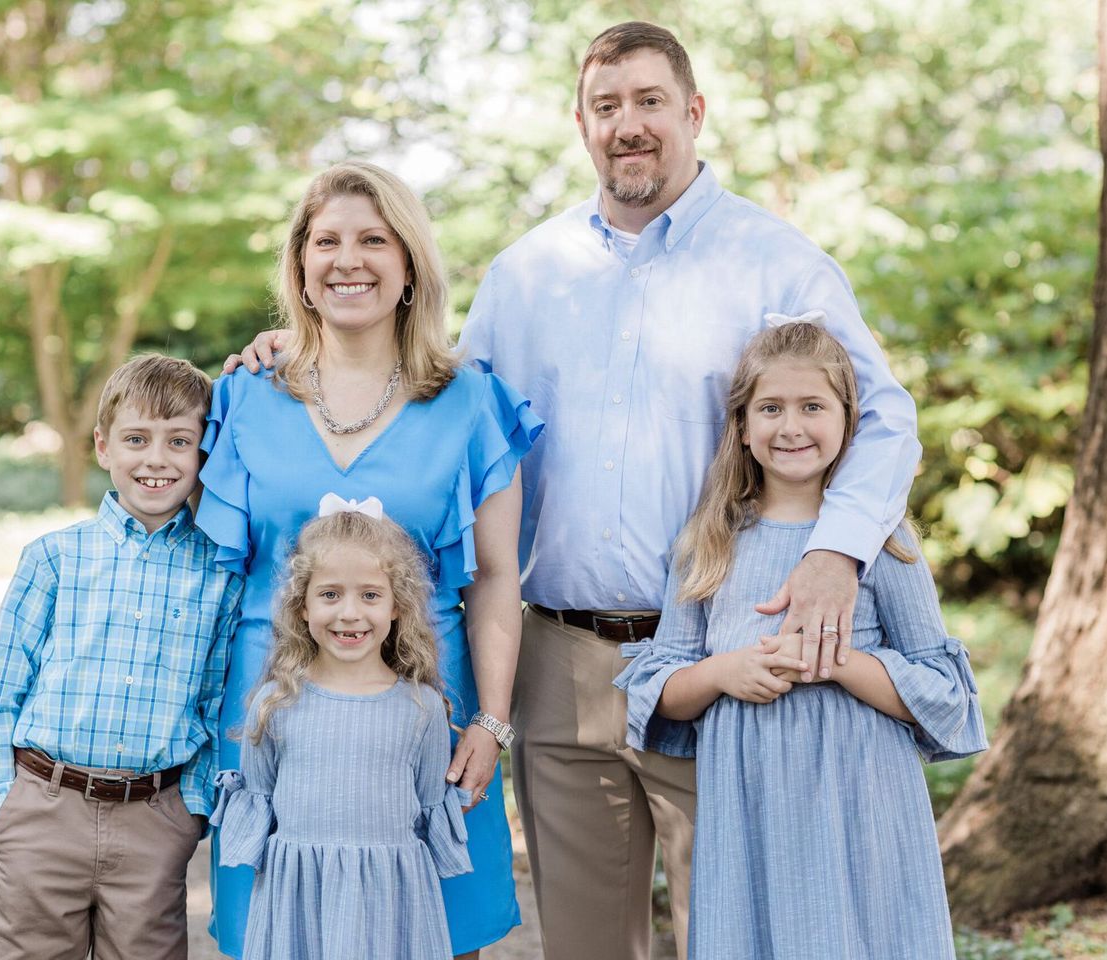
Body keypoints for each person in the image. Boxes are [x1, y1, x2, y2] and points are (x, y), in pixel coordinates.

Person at [226, 23, 920, 959]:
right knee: (589, 946)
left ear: (694, 112)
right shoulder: (526, 275)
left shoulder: (775, 264)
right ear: (582, 123)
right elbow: (432, 410)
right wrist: (295, 353)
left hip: (723, 652)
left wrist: (837, 555)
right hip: (562, 664)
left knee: (746, 931)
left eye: (648, 102)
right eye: (606, 107)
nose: (627, 125)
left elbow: (881, 416)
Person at [198, 161, 541, 959]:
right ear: (300, 269)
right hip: (268, 716)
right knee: (279, 933)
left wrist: (491, 721)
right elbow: (208, 569)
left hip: (429, 719)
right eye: (326, 242)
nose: (347, 259)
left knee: (431, 934)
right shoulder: (246, 394)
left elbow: (496, 578)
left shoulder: (473, 401)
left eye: (372, 240)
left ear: (410, 264)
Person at [616, 317, 987, 958]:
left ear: (848, 421)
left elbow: (944, 694)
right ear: (741, 425)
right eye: (771, 408)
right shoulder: (708, 543)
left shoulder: (880, 542)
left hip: (862, 806)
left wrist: (836, 662)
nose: (791, 427)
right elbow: (662, 688)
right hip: (751, 811)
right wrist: (722, 673)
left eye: (813, 406)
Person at [0, 354, 244, 959]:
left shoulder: (219, 572)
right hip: (44, 808)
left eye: (179, 441)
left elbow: (216, 698)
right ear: (102, 446)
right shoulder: (55, 558)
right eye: (136, 439)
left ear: (204, 455)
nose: (156, 459)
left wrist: (190, 811)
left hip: (154, 818)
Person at [209, 502, 475, 959]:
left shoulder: (421, 707)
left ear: (397, 608)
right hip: (298, 901)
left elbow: (429, 804)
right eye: (330, 594)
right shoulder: (275, 703)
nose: (349, 613)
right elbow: (261, 798)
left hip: (392, 903)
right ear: (302, 605)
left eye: (370, 595)